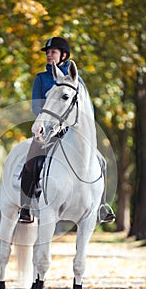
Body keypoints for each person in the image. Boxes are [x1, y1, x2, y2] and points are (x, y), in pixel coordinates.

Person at [19, 37, 115, 224]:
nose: (49, 55)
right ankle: (26, 207)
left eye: (52, 52)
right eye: (47, 53)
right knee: (31, 161)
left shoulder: (76, 80)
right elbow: (36, 107)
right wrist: (49, 125)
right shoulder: (42, 78)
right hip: (48, 129)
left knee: (102, 162)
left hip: (73, 132)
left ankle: (101, 206)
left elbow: (87, 109)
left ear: (63, 55)